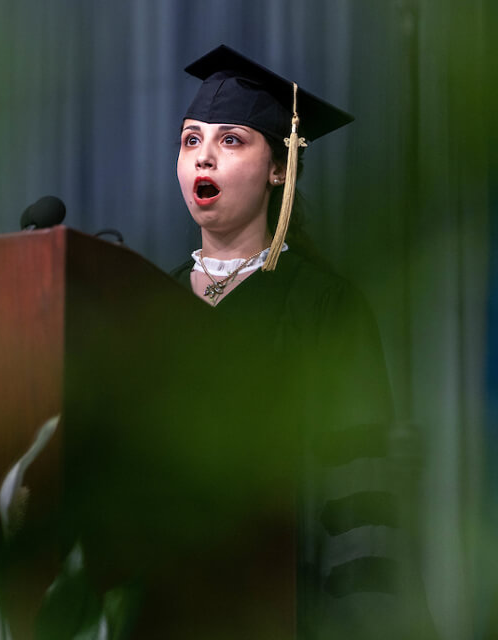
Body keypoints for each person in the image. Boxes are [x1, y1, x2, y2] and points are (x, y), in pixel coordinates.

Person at [164, 45, 435, 639]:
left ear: (280, 167)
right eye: (190, 140)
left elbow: (359, 500)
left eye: (231, 139)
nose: (202, 156)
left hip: (287, 608)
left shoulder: (323, 306)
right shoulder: (144, 305)